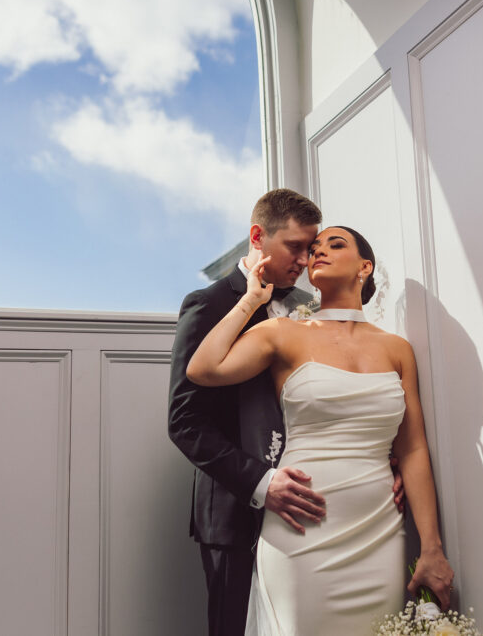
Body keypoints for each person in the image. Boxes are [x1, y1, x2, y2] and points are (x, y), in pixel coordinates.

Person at [188, 225, 454, 634]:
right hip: (301, 529)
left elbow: (414, 448)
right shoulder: (282, 333)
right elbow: (204, 370)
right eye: (313, 249)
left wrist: (432, 547)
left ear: (364, 267)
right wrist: (250, 300)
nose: (319, 253)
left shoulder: (398, 349)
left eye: (335, 244)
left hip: (378, 532)